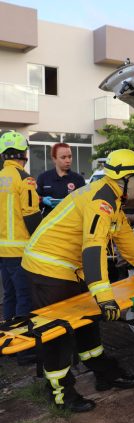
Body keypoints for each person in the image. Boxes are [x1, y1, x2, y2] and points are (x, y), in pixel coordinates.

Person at [22, 149, 134, 413]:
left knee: (88, 321)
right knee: (58, 332)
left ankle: (103, 373)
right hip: (48, 269)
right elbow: (93, 249)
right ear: (125, 179)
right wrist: (105, 296)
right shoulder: (101, 201)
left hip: (68, 269)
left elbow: (125, 240)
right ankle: (61, 393)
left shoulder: (112, 196)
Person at [0, 131, 42, 366]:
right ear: (24, 153)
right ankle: (25, 350)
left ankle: (9, 344)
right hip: (19, 250)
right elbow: (30, 214)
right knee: (25, 297)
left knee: (9, 297)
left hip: (2, 251)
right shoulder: (24, 179)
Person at [36, 143, 85, 216]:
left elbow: (84, 203)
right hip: (50, 223)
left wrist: (70, 202)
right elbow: (34, 200)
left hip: (71, 223)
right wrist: (42, 200)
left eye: (70, 157)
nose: (68, 160)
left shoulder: (78, 179)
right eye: (63, 157)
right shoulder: (43, 177)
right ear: (54, 159)